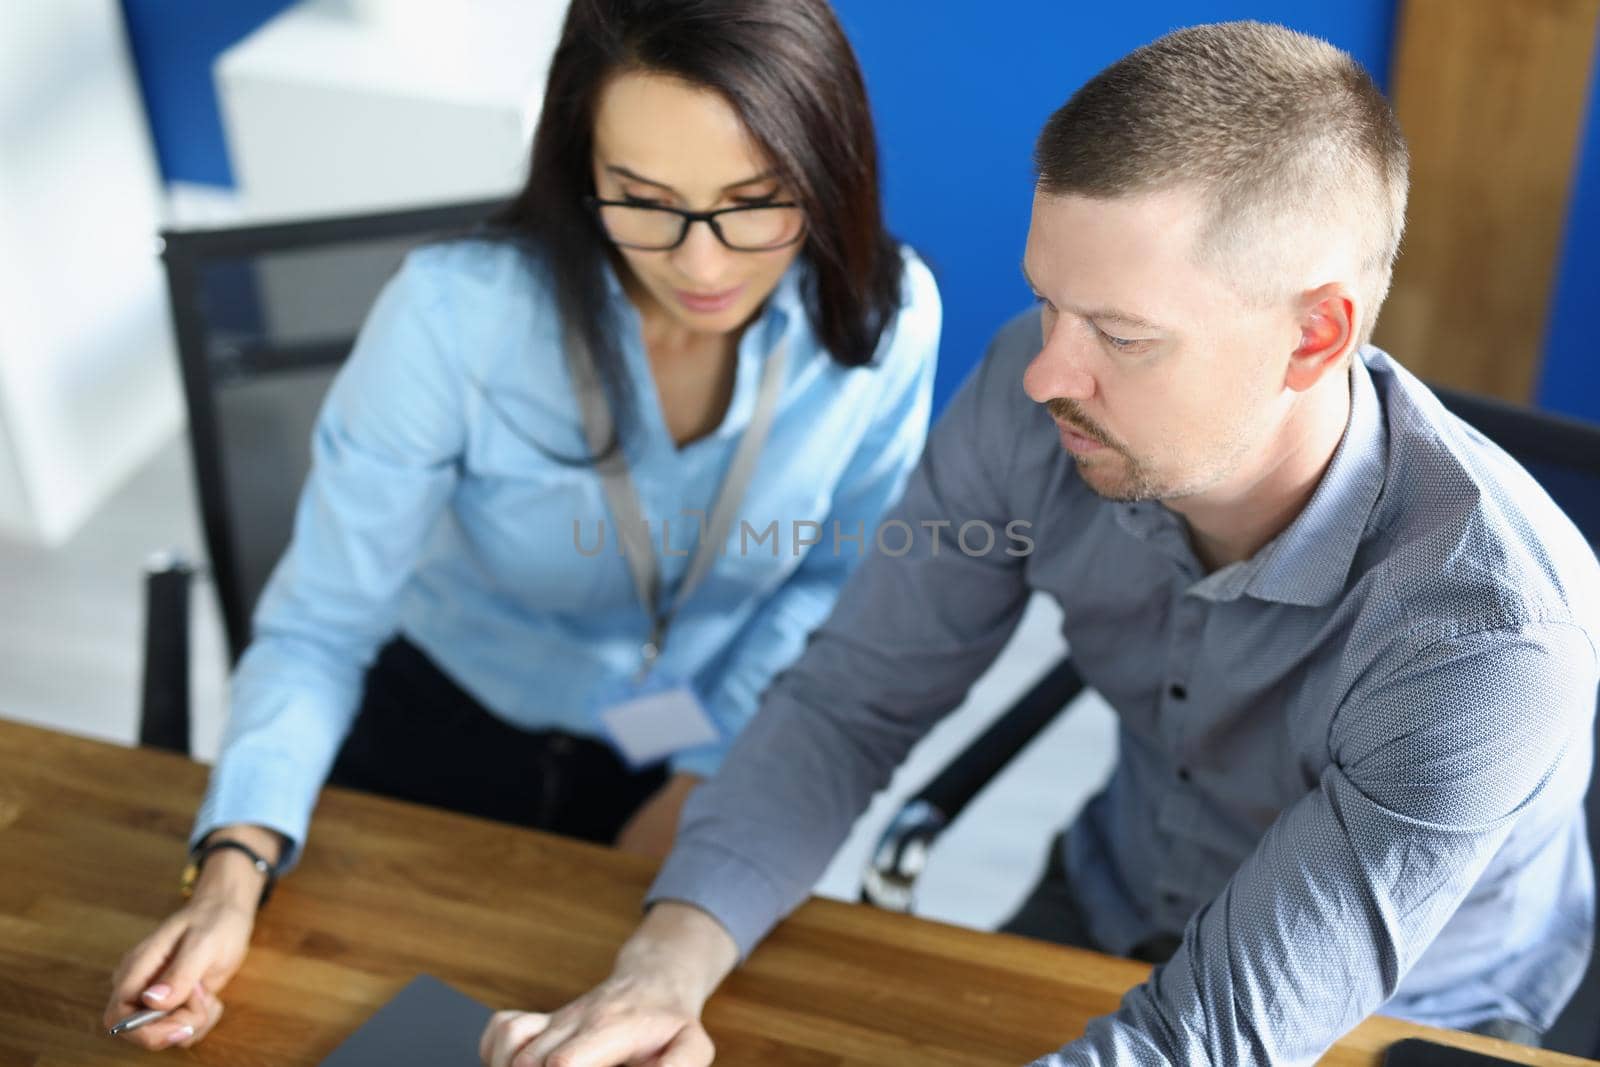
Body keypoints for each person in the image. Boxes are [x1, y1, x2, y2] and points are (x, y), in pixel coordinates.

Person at [478, 20, 1600, 1067]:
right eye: (1048, 303)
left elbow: (1208, 1036)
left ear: (1314, 336)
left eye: (1120, 334)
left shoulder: (1494, 631)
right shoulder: (1044, 399)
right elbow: (846, 703)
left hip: (1399, 1018)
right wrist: (659, 972)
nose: (1043, 376)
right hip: (1110, 899)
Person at [104, 0, 940, 1052]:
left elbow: (827, 581)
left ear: (826, 170)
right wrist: (231, 866)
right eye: (644, 200)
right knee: (336, 1019)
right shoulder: (456, 314)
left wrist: (704, 768)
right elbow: (321, 621)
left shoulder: (888, 317)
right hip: (440, 716)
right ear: (579, 165)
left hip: (679, 726)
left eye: (754, 201)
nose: (701, 263)